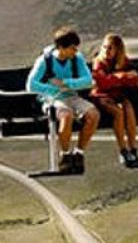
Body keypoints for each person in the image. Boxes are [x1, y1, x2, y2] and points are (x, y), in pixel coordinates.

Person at [26, 27, 99, 174]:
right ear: (61, 47)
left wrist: (68, 84)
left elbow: (88, 80)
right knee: (66, 116)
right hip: (52, 98)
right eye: (72, 48)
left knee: (93, 114)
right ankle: (65, 155)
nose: (75, 52)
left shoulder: (76, 59)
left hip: (71, 96)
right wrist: (53, 90)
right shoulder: (45, 61)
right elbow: (31, 85)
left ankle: (78, 153)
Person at [91, 33, 138, 167]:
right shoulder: (99, 62)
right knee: (118, 112)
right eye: (105, 47)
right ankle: (123, 150)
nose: (106, 51)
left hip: (117, 95)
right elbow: (102, 83)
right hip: (101, 96)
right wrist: (121, 77)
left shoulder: (123, 61)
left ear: (117, 50)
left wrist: (116, 78)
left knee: (129, 108)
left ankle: (133, 149)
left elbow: (135, 78)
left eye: (110, 48)